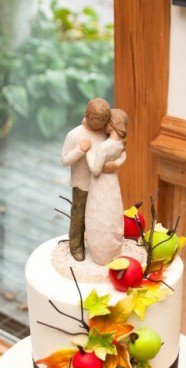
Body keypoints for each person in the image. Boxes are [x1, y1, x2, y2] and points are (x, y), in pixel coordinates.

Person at [61, 98, 111, 262]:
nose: (100, 124)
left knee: (99, 216)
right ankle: (76, 245)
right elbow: (65, 160)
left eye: (103, 120)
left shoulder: (105, 133)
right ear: (87, 116)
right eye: (97, 120)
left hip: (101, 183)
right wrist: (80, 150)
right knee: (79, 216)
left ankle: (98, 244)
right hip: (82, 184)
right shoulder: (75, 135)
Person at [84, 108, 128, 265]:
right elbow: (124, 155)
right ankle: (113, 251)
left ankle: (101, 254)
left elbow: (95, 170)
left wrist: (88, 152)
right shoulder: (119, 145)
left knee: (99, 214)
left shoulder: (104, 147)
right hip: (112, 182)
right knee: (113, 212)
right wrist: (116, 164)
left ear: (112, 123)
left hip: (100, 184)